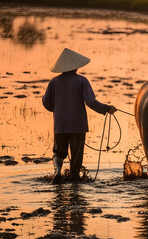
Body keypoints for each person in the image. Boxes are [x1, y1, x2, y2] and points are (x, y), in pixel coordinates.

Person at [42, 48, 117, 183]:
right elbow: (91, 102)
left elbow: (45, 102)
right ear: (76, 66)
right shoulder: (82, 81)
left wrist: (57, 110)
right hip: (78, 125)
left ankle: (58, 171)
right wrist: (107, 108)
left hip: (60, 124)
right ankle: (75, 181)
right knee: (76, 157)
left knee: (58, 153)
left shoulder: (54, 82)